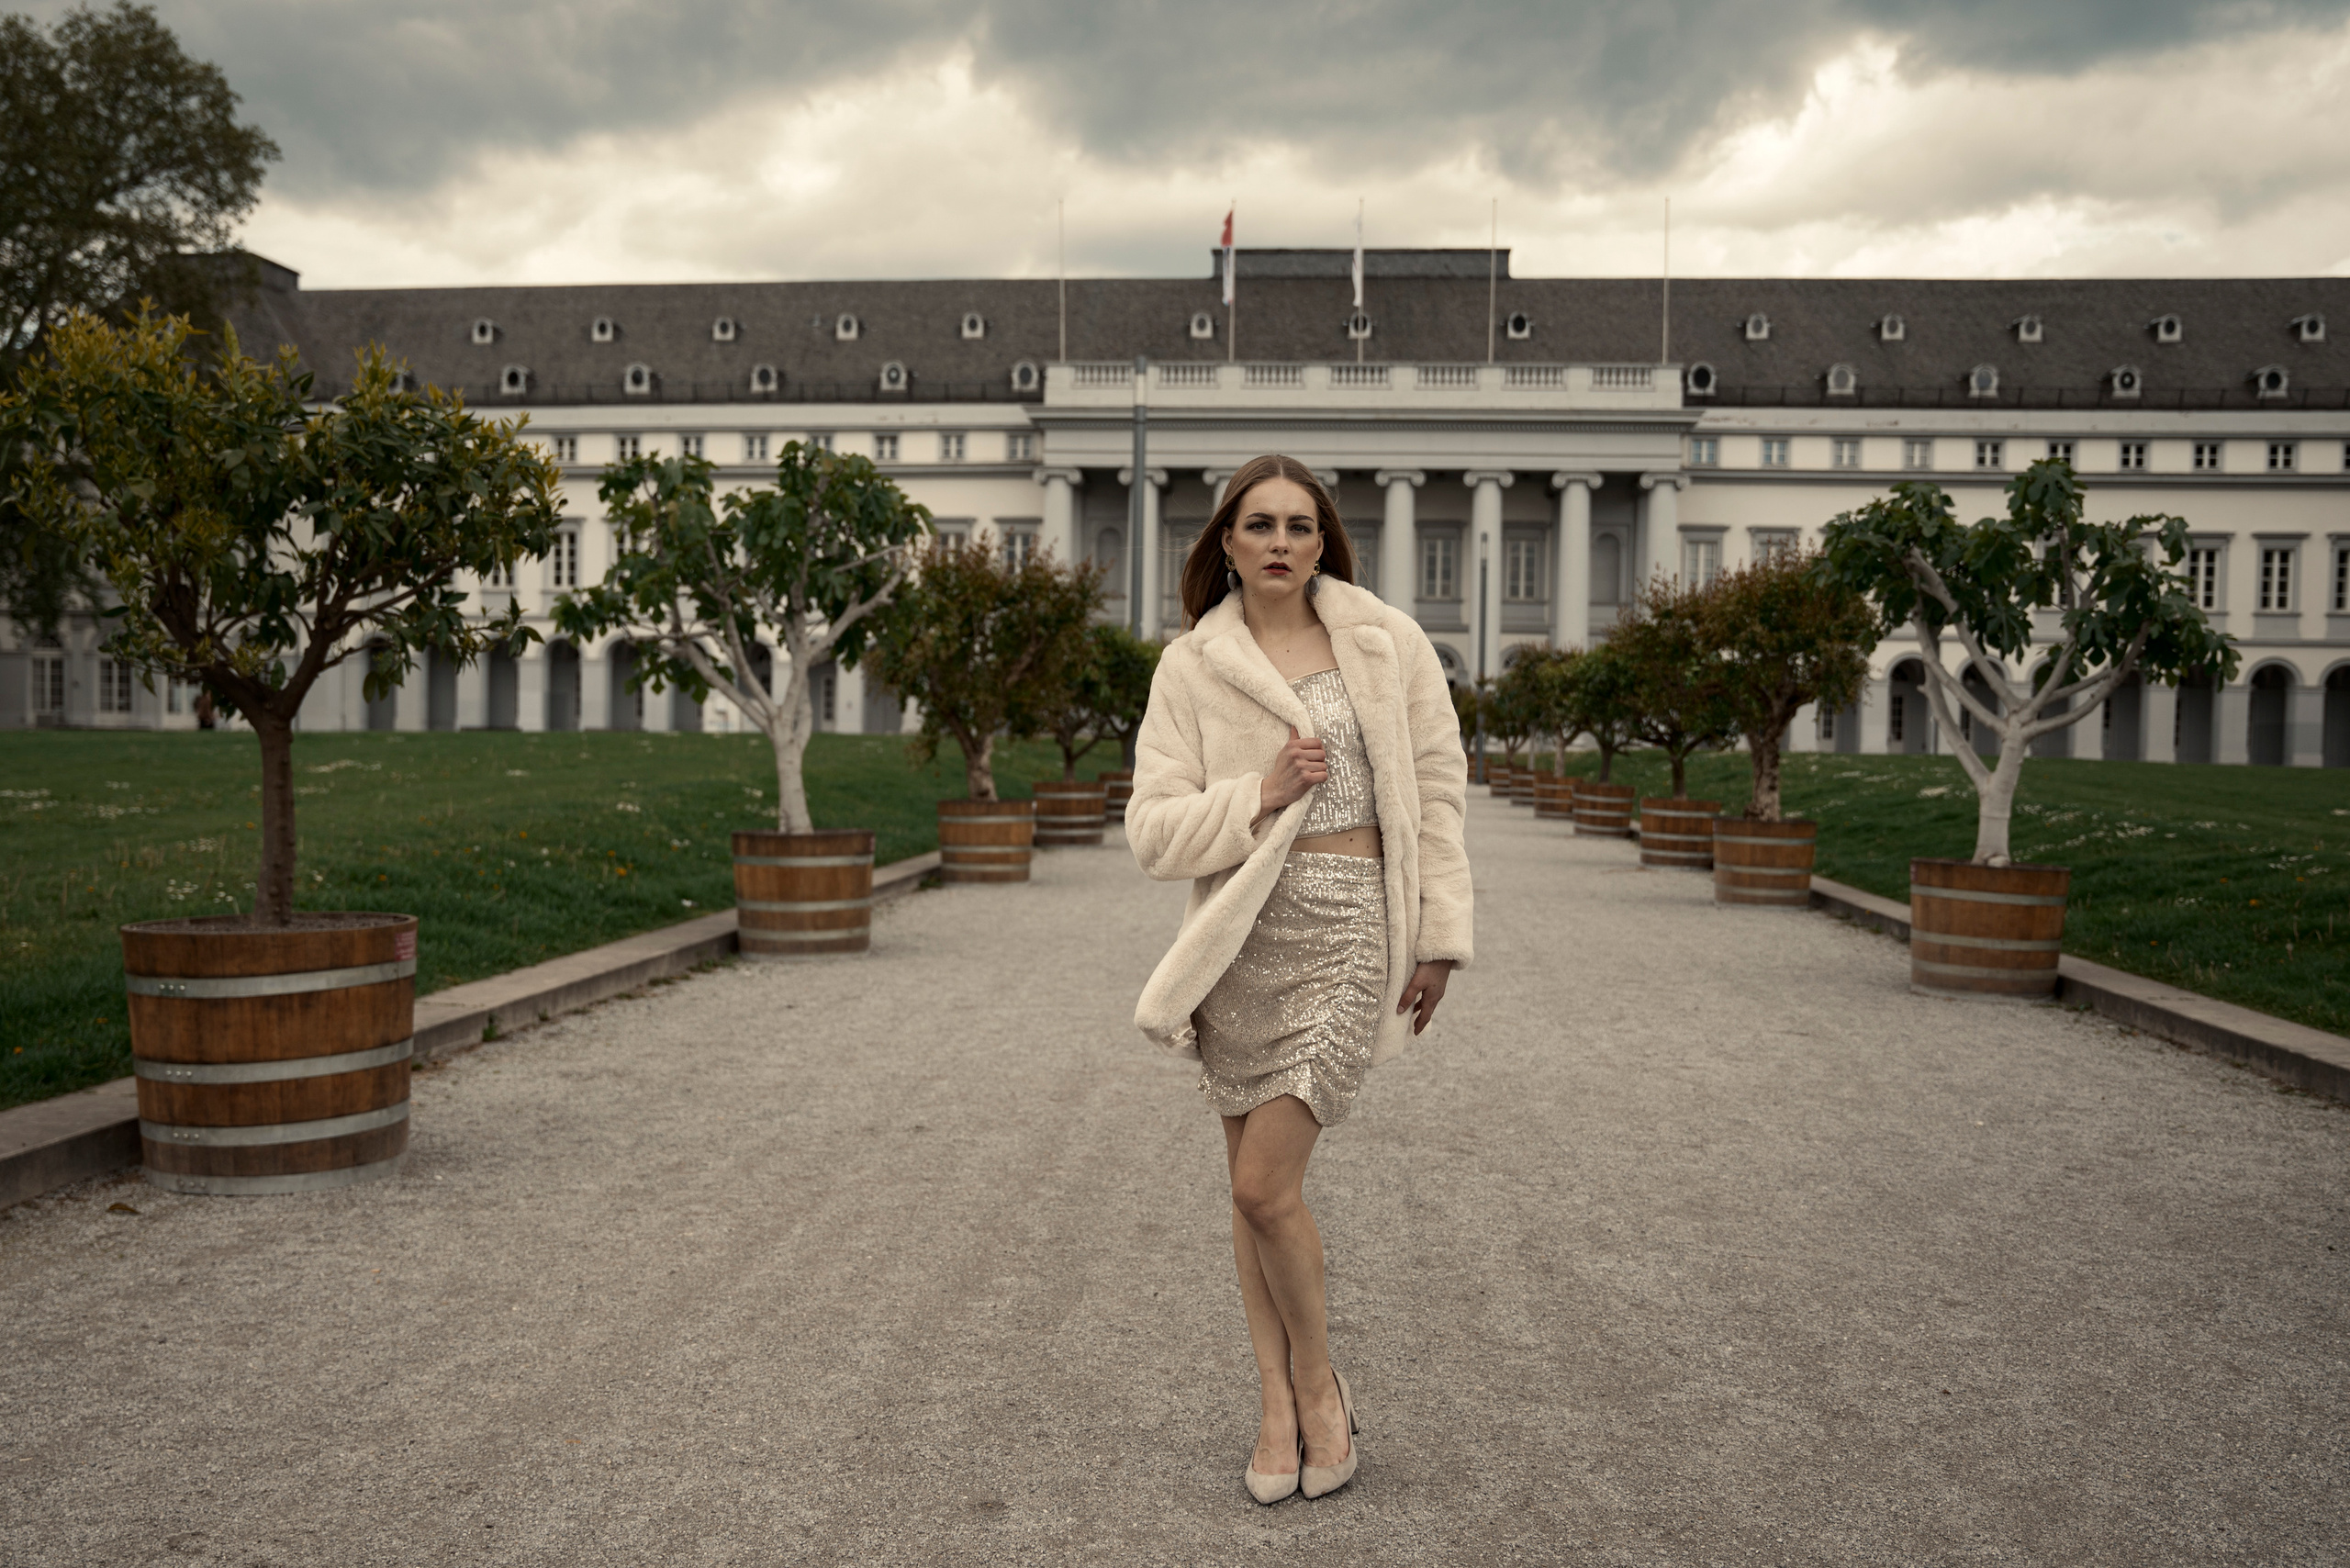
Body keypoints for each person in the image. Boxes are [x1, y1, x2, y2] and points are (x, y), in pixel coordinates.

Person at [1126, 454, 1472, 1503]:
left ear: (1324, 543)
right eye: (1259, 524)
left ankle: (1320, 1390)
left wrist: (1440, 933)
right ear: (1225, 543)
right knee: (1251, 1195)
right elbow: (1151, 831)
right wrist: (1259, 792)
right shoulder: (1191, 665)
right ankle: (1276, 1405)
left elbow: (1439, 788)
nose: (1280, 542)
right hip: (1240, 938)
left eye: (1300, 525)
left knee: (1261, 1186)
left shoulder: (1386, 640)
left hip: (1351, 923)